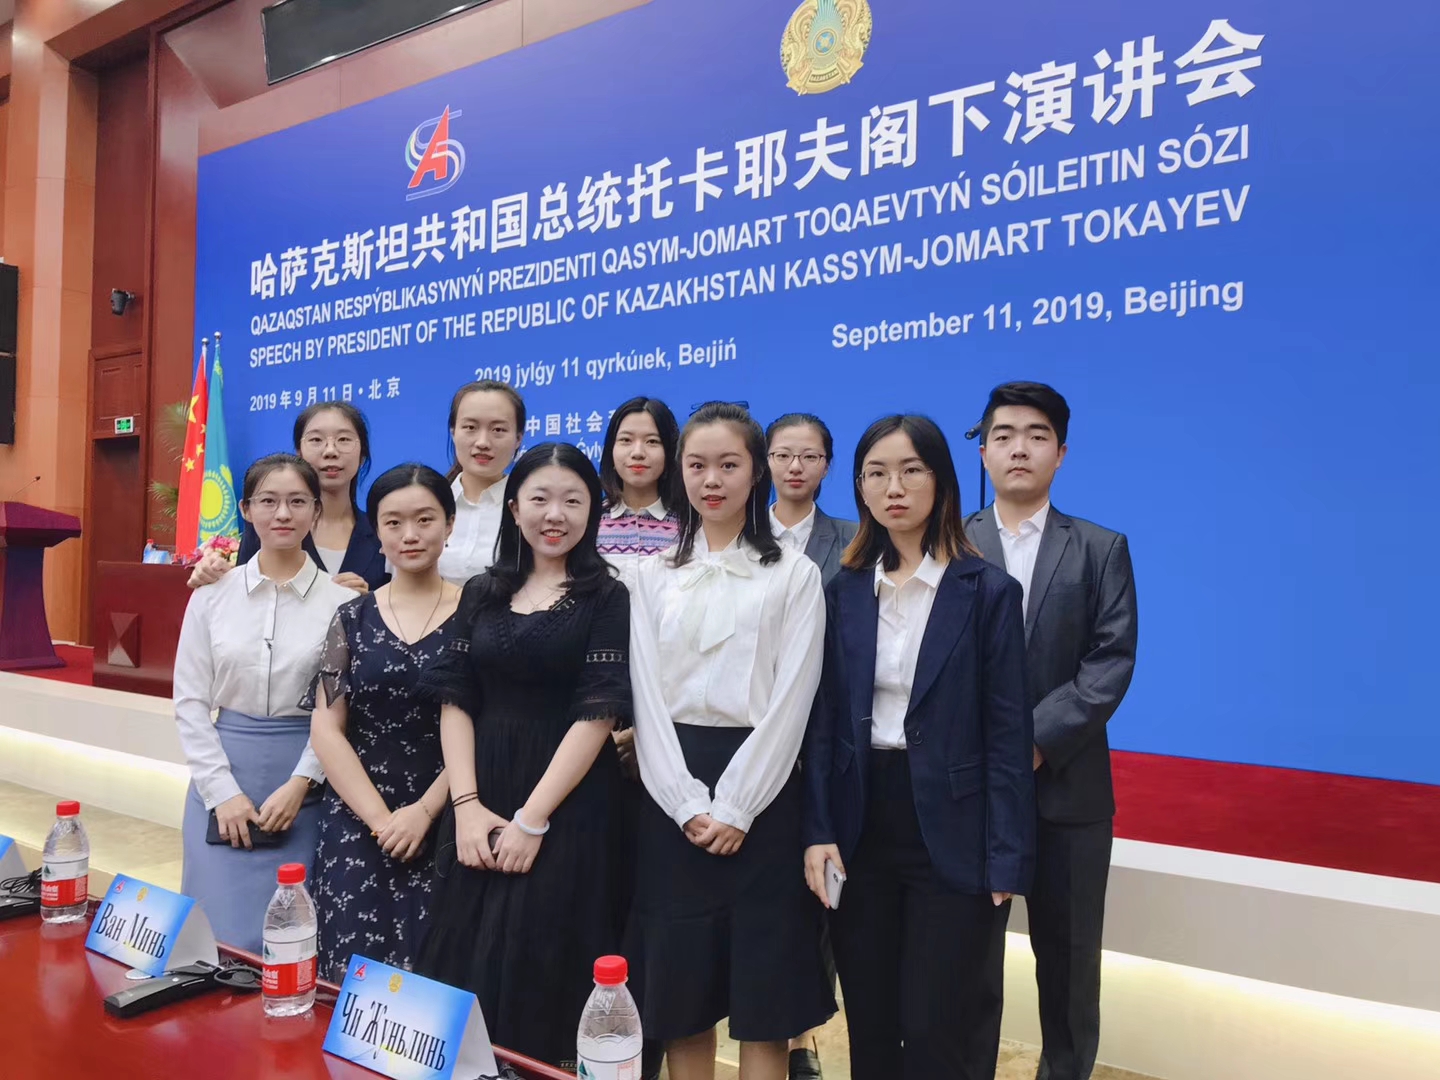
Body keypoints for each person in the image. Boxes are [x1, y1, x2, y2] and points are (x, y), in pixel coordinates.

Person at [802, 414, 1034, 1080]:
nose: (893, 488)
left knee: (938, 1026)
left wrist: (1006, 859)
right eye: (876, 473)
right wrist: (818, 831)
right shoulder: (843, 590)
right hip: (861, 824)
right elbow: (823, 724)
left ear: (942, 481)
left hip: (952, 831)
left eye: (910, 470)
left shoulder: (987, 592)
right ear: (859, 487)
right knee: (871, 1020)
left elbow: (1008, 736)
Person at [630, 402, 835, 1080]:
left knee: (765, 999)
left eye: (728, 464)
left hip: (766, 793)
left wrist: (739, 804)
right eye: (697, 465)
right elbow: (646, 700)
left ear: (756, 473)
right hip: (670, 792)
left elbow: (793, 701)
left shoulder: (795, 575)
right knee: (681, 997)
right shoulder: (651, 576)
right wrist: (684, 800)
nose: (711, 480)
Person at [414, 443, 632, 1070]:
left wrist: (533, 820)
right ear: (514, 508)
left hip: (568, 805)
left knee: (544, 959)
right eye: (539, 498)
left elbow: (598, 714)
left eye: (572, 501)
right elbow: (455, 699)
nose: (554, 514)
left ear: (593, 511)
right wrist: (465, 806)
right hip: (480, 793)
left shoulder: (606, 596)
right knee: (461, 958)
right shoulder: (482, 591)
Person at [964, 383, 1138, 1080]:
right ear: (983, 450)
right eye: (1004, 435)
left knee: (1067, 967)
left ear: (1060, 454)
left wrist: (1030, 742)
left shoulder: (1100, 548)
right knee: (969, 963)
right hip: (971, 792)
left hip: (1069, 793)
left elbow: (1110, 660)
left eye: (1037, 436)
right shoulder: (952, 543)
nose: (1019, 449)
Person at [173, 453, 355, 953]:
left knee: (293, 941)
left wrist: (302, 783)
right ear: (246, 509)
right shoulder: (212, 594)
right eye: (268, 501)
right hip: (222, 776)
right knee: (213, 941)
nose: (283, 514)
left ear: (316, 511)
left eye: (297, 501)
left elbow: (341, 709)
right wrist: (221, 793)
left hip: (308, 781)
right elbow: (189, 701)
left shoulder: (343, 605)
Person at [302, 464, 461, 981]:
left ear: (450, 523)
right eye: (393, 522)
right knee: (351, 979)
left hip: (450, 814)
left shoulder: (479, 615)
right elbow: (327, 729)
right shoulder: (352, 616)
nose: (409, 534)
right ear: (378, 531)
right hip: (357, 818)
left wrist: (423, 813)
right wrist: (381, 821)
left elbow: (487, 726)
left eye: (425, 519)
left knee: (439, 976)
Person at [764, 411, 856, 1080]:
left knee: (816, 892)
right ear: (765, 461)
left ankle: (802, 1037)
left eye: (810, 456)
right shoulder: (736, 533)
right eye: (783, 454)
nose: (795, 466)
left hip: (825, 732)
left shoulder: (852, 541)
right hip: (749, 734)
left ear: (827, 464)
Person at [187, 402, 387, 592]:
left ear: (362, 455)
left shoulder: (383, 531)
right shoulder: (270, 525)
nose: (330, 451)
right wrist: (213, 575)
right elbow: (245, 595)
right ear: (299, 453)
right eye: (316, 440)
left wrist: (367, 604)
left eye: (343, 439)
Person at [437, 380, 526, 585]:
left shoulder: (530, 510)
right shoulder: (429, 504)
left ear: (518, 438)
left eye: (498, 430)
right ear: (453, 432)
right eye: (470, 427)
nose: (483, 442)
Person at [596, 396, 683, 587]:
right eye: (626, 440)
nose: (637, 452)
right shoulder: (590, 522)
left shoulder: (688, 526)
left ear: (669, 451)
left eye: (652, 441)